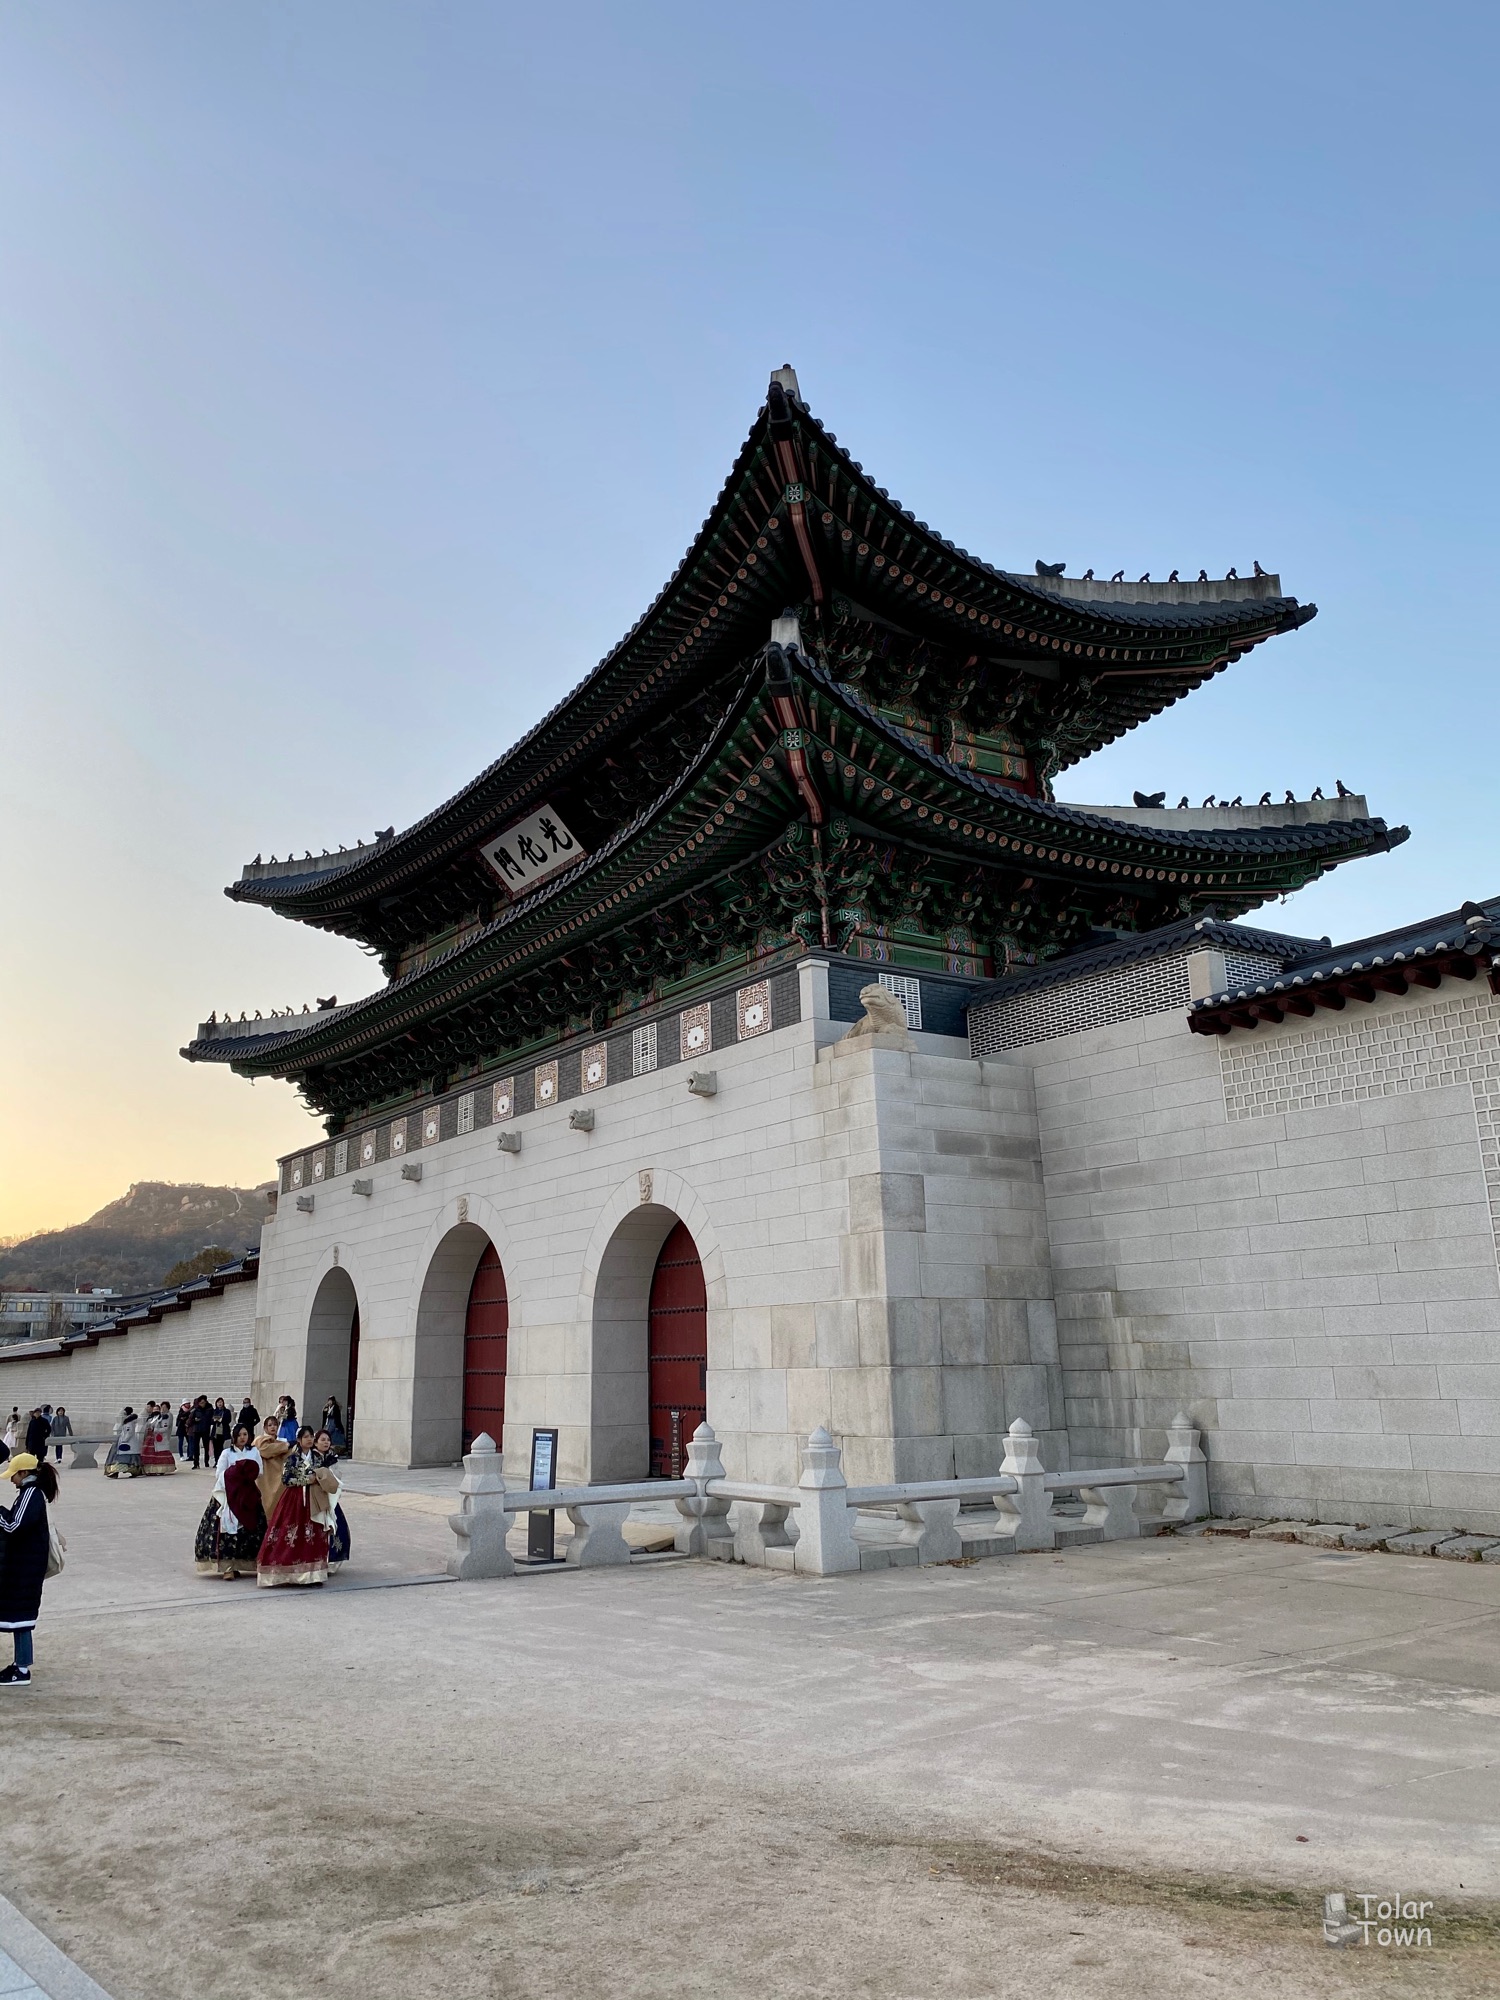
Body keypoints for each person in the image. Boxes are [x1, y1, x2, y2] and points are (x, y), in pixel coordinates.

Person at [0, 1452, 58, 1687]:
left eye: (14, 1475)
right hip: (28, 1563)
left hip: (26, 1565)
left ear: (24, 1474)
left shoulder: (31, 1494)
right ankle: (20, 1665)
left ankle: (22, 1669)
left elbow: (15, 1525)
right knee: (20, 1615)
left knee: (21, 1617)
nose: (12, 1480)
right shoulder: (32, 1493)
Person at [258, 1426, 340, 1588]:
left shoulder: (318, 1457)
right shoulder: (292, 1458)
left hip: (315, 1499)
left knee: (315, 1534)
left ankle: (314, 1574)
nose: (309, 1439)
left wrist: (320, 1477)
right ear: (299, 1440)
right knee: (291, 1534)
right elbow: (286, 1480)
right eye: (306, 1437)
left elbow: (325, 1474)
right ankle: (288, 1572)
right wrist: (305, 1480)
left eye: (311, 1436)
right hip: (294, 1500)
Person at [194, 1424, 266, 1578]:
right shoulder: (227, 1453)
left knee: (250, 1529)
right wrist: (235, 1472)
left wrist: (247, 1471)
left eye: (245, 1434)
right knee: (226, 1530)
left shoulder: (254, 1451)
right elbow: (219, 1473)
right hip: (229, 1493)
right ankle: (228, 1567)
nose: (242, 1437)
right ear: (234, 1436)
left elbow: (260, 1471)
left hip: (248, 1494)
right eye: (239, 1434)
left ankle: (246, 1562)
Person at [313, 1430, 350, 1568]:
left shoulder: (332, 1458)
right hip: (316, 1497)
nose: (326, 1442)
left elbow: (337, 1476)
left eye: (328, 1439)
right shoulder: (311, 1458)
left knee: (337, 1526)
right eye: (322, 1440)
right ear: (315, 1442)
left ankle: (332, 1560)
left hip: (330, 1496)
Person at [255, 1416, 292, 1523]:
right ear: (265, 1427)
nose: (273, 1427)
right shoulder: (260, 1440)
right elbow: (265, 1451)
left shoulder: (281, 1441)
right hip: (265, 1477)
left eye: (275, 1425)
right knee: (265, 1503)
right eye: (270, 1425)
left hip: (278, 1476)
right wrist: (286, 1446)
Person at [139, 1402, 177, 1475]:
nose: (155, 1411)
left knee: (159, 1454)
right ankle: (149, 1469)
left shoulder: (164, 1418)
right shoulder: (151, 1419)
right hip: (149, 1438)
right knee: (148, 1454)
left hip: (158, 1438)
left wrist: (155, 1430)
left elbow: (165, 1428)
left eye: (157, 1409)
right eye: (154, 1409)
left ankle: (160, 1469)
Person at [104, 1407, 142, 1478]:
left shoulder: (129, 1423)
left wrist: (124, 1440)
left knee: (123, 1459)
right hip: (127, 1443)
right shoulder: (127, 1422)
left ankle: (118, 1472)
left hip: (128, 1443)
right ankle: (118, 1472)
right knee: (128, 1459)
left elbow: (129, 1433)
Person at [188, 1396, 214, 1469]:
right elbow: (191, 1420)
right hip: (197, 1430)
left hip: (205, 1430)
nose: (202, 1404)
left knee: (206, 1447)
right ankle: (196, 1463)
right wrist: (195, 1420)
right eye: (200, 1403)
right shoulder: (196, 1410)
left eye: (203, 1402)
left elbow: (212, 1418)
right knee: (196, 1447)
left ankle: (206, 1462)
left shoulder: (209, 1409)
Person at [209, 1398, 233, 1462]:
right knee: (216, 1447)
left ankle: (221, 1460)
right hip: (215, 1432)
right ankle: (216, 1461)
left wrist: (221, 1420)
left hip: (223, 1431)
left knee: (221, 1447)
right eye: (218, 1402)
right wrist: (214, 1420)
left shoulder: (226, 1411)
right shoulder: (214, 1411)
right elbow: (210, 1421)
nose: (219, 1403)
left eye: (221, 1402)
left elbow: (229, 1420)